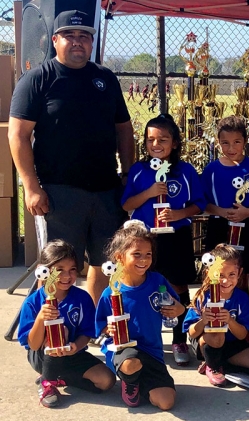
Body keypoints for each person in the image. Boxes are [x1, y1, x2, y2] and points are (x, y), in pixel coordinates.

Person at [8, 10, 134, 305]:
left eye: (84, 37)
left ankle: (92, 322)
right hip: (59, 193)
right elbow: (17, 135)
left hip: (106, 190)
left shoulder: (105, 79)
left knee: (106, 263)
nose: (78, 42)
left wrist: (128, 176)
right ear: (54, 40)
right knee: (60, 266)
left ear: (91, 43)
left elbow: (124, 130)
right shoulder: (37, 80)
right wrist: (31, 186)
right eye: (69, 35)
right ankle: (51, 328)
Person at [121, 114, 206, 366]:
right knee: (143, 286)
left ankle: (179, 339)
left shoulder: (186, 171)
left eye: (163, 139)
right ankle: (148, 339)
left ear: (175, 143)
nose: (156, 144)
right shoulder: (138, 171)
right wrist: (149, 193)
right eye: (150, 140)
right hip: (145, 239)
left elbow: (199, 204)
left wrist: (179, 214)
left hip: (176, 237)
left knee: (177, 286)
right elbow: (126, 203)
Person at [95, 221, 185, 410]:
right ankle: (131, 382)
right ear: (119, 257)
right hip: (124, 350)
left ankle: (143, 380)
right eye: (136, 254)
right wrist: (108, 329)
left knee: (166, 402)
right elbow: (100, 328)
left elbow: (178, 307)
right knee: (131, 364)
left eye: (148, 254)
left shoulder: (157, 281)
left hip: (152, 350)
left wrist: (178, 309)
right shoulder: (112, 291)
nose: (143, 260)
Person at [18, 240, 115, 408]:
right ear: (44, 271)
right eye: (59, 270)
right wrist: (41, 318)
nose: (66, 276)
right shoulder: (33, 302)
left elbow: (87, 333)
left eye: (72, 270)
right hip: (42, 356)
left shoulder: (82, 298)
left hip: (73, 353)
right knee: (59, 330)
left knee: (106, 381)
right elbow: (32, 345)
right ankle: (48, 382)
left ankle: (60, 377)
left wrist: (75, 347)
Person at [183, 244, 249, 387]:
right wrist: (204, 320)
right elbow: (192, 333)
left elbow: (243, 335)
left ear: (240, 273)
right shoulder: (202, 296)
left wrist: (229, 320)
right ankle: (213, 367)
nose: (226, 280)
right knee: (218, 335)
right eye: (220, 275)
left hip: (232, 343)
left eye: (231, 274)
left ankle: (220, 363)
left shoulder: (241, 298)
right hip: (208, 341)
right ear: (209, 273)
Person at [201, 115, 249, 279]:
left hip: (247, 224)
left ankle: (242, 303)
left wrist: (247, 212)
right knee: (216, 270)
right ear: (218, 142)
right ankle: (215, 302)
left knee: (244, 271)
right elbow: (202, 203)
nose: (231, 147)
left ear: (245, 141)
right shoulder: (211, 170)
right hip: (218, 225)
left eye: (237, 142)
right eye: (225, 143)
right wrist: (222, 211)